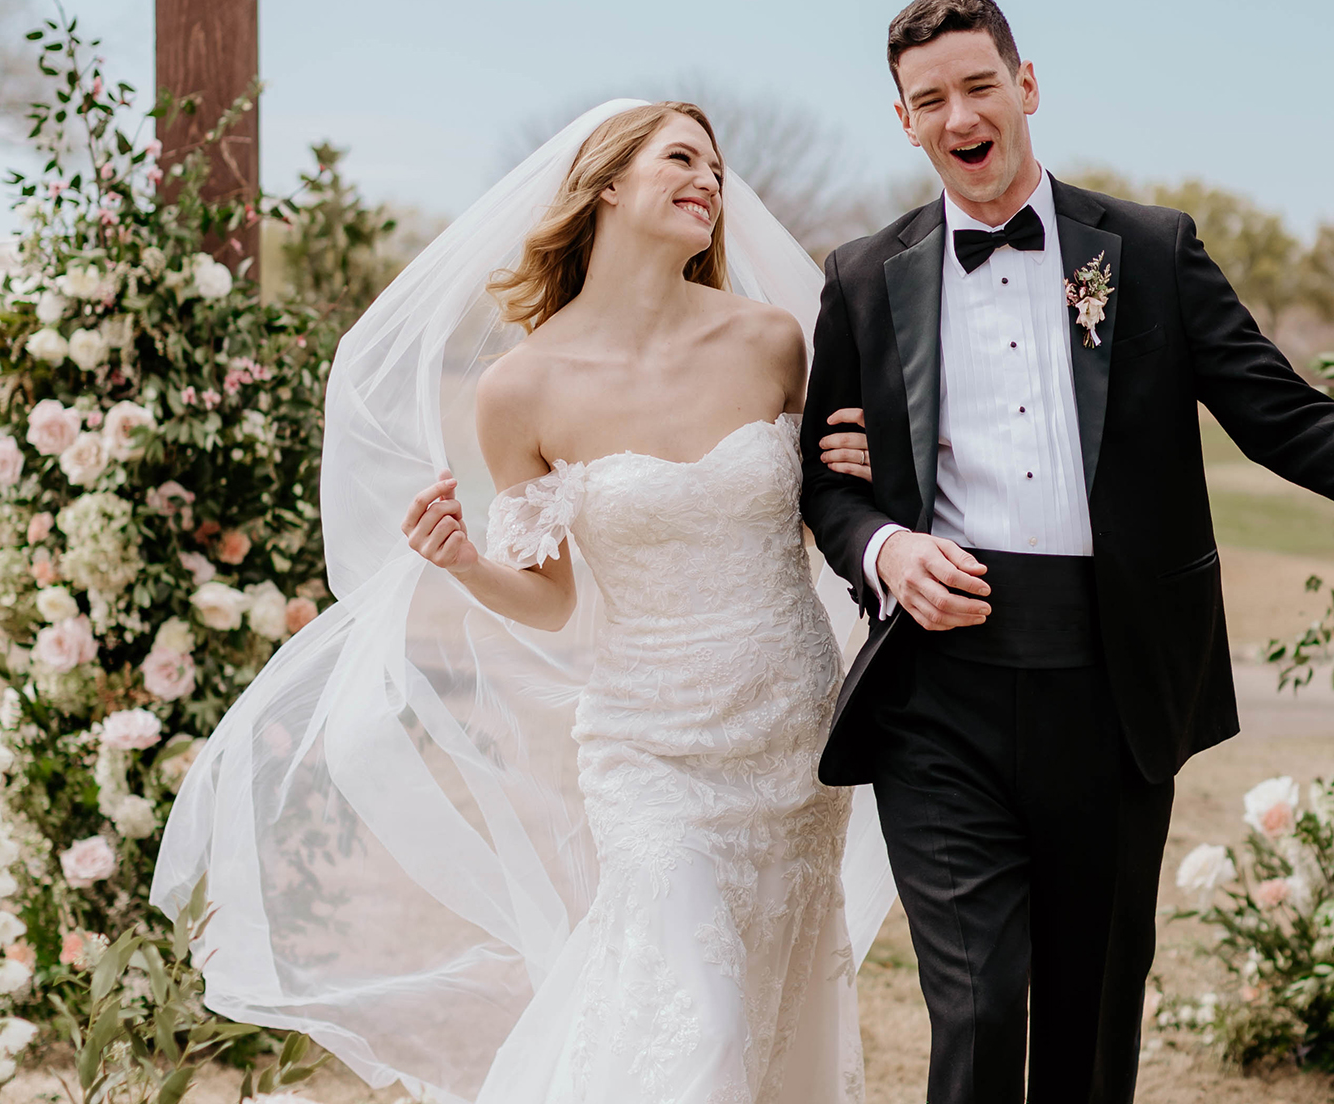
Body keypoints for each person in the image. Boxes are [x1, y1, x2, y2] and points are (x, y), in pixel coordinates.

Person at [800, 0, 1334, 1104]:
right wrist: (885, 551)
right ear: (904, 119)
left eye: (979, 86)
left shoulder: (1152, 251)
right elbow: (826, 483)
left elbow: (1274, 409)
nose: (960, 115)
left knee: (1093, 1010)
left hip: (1110, 685)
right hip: (938, 691)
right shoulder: (865, 277)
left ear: (1026, 86)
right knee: (977, 1004)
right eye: (931, 99)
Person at [154, 101, 896, 1104]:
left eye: (718, 170)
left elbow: (816, 518)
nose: (710, 183)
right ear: (607, 184)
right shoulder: (519, 388)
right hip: (651, 747)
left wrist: (858, 472)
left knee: (772, 1010)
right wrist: (462, 560)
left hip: (791, 730)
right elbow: (550, 599)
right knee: (702, 1026)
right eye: (683, 159)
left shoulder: (770, 341)